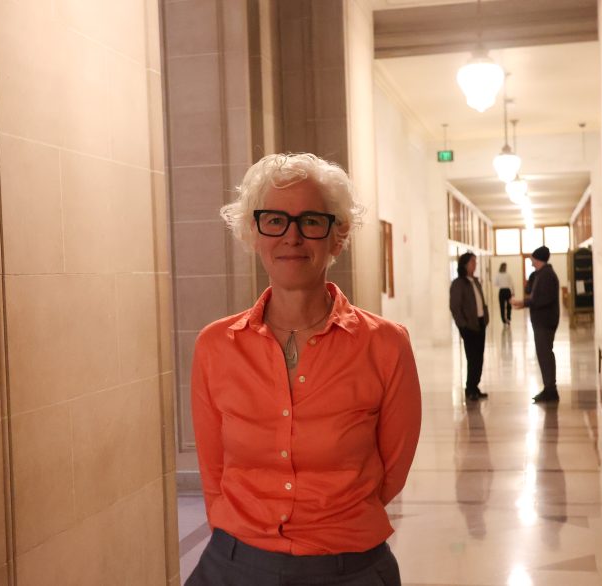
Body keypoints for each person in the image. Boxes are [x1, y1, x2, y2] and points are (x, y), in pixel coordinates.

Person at [188, 153, 422, 586]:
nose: (292, 237)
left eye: (311, 220)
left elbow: (391, 472)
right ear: (253, 233)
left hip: (349, 569)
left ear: (337, 236)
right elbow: (214, 472)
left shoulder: (386, 345)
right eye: (274, 220)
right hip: (234, 566)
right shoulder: (215, 346)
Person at [512, 246, 560, 403]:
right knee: (543, 354)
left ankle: (550, 390)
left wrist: (524, 302)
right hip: (542, 321)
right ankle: (549, 388)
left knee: (545, 354)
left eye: (532, 258)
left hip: (545, 321)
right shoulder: (540, 274)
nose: (531, 261)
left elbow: (543, 299)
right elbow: (531, 291)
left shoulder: (546, 275)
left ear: (537, 258)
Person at [450, 252, 489, 401]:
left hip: (480, 323)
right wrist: (463, 326)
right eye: (472, 262)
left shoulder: (475, 281)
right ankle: (470, 387)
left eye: (475, 262)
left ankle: (475, 386)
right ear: (464, 264)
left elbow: (481, 301)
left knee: (479, 357)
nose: (475, 264)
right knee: (472, 358)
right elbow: (455, 307)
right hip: (469, 326)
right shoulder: (458, 284)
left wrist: (485, 317)